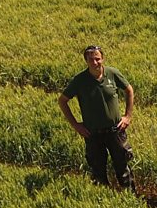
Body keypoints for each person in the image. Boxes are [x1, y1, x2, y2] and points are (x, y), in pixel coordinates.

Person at [58, 45, 137, 192]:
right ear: (86, 61)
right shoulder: (80, 80)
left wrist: (128, 116)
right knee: (98, 170)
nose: (95, 62)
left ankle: (130, 197)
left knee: (123, 167)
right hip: (92, 133)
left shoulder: (112, 73)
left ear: (103, 58)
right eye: (91, 60)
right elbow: (62, 101)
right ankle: (103, 199)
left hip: (116, 130)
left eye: (97, 59)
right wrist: (76, 125)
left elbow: (129, 90)